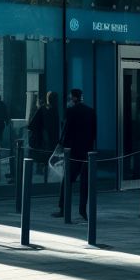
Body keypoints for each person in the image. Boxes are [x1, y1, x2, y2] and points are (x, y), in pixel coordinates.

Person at [53, 89, 96, 220]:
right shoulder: (91, 111)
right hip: (87, 152)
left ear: (74, 98)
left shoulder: (70, 111)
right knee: (85, 183)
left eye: (70, 98)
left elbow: (66, 131)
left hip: (72, 152)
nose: (68, 101)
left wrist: (61, 146)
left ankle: (63, 208)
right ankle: (83, 210)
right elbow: (94, 133)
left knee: (67, 180)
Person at [27, 92, 59, 177]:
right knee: (47, 155)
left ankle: (41, 168)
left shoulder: (44, 109)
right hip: (49, 139)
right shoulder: (54, 110)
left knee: (43, 155)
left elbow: (32, 125)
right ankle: (43, 169)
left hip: (44, 139)